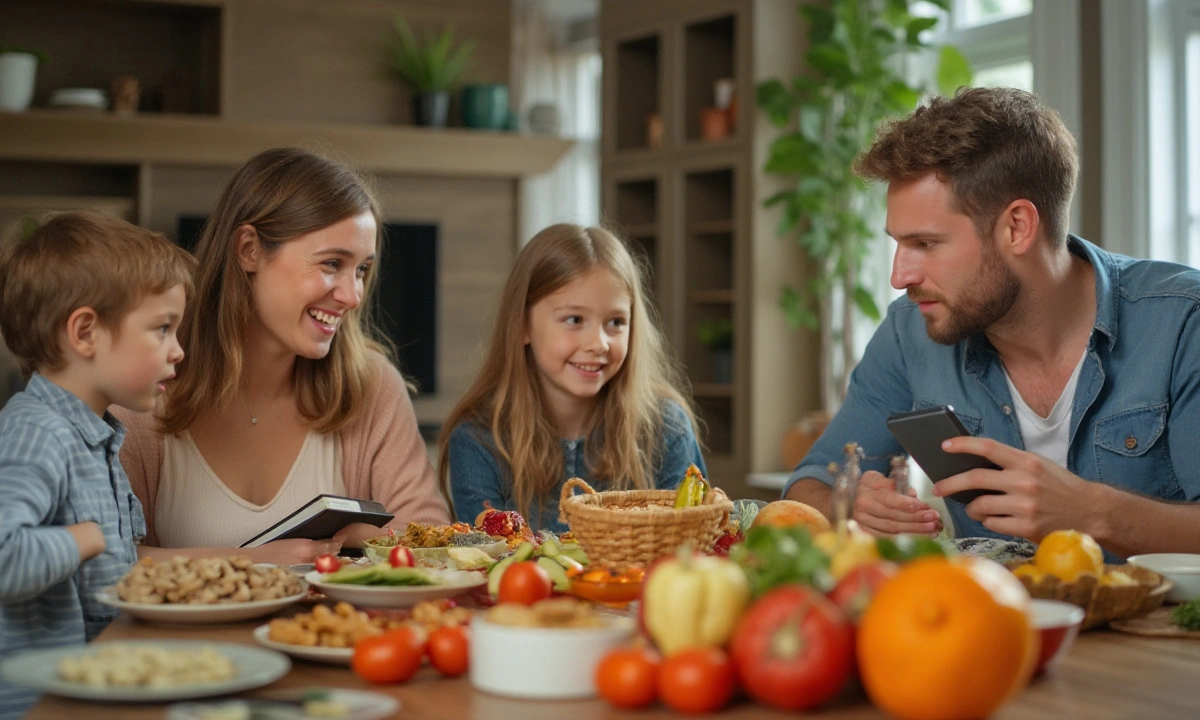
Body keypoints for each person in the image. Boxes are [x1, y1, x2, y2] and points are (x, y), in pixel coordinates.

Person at [784, 87, 1200, 590]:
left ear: (1018, 227)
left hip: (1165, 655)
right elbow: (807, 485)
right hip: (994, 643)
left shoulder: (1192, 320)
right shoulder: (908, 330)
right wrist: (850, 506)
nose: (899, 275)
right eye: (898, 244)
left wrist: (1094, 512)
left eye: (925, 244)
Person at [116, 148, 450, 566]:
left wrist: (363, 536)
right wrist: (256, 561)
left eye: (362, 270)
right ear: (249, 250)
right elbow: (105, 564)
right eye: (332, 263)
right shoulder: (144, 388)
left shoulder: (372, 385)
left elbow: (434, 542)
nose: (353, 295)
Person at [0, 211, 192, 719]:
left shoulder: (92, 433)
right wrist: (83, 539)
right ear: (86, 332)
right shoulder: (37, 433)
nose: (179, 351)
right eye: (162, 329)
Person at [440, 224, 706, 532]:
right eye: (574, 320)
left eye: (616, 322)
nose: (599, 343)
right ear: (522, 325)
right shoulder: (478, 440)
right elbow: (489, 559)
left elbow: (693, 542)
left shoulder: (666, 428)